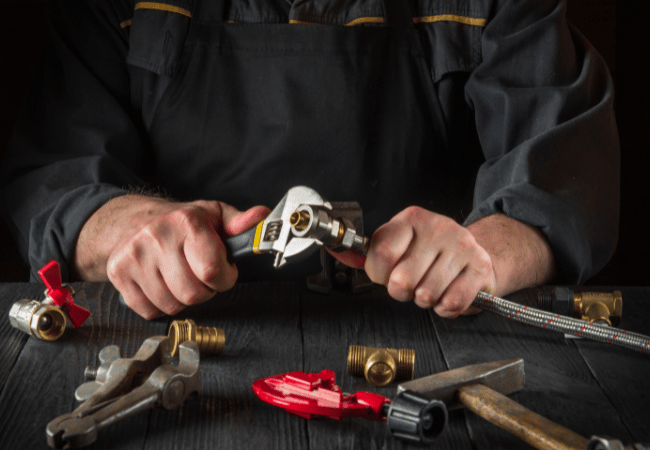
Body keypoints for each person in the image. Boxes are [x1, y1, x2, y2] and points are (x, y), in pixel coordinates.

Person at [0, 0, 619, 320]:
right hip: (182, 342)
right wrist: (128, 230)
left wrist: (485, 253)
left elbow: (560, 168)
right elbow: (58, 171)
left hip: (436, 338)